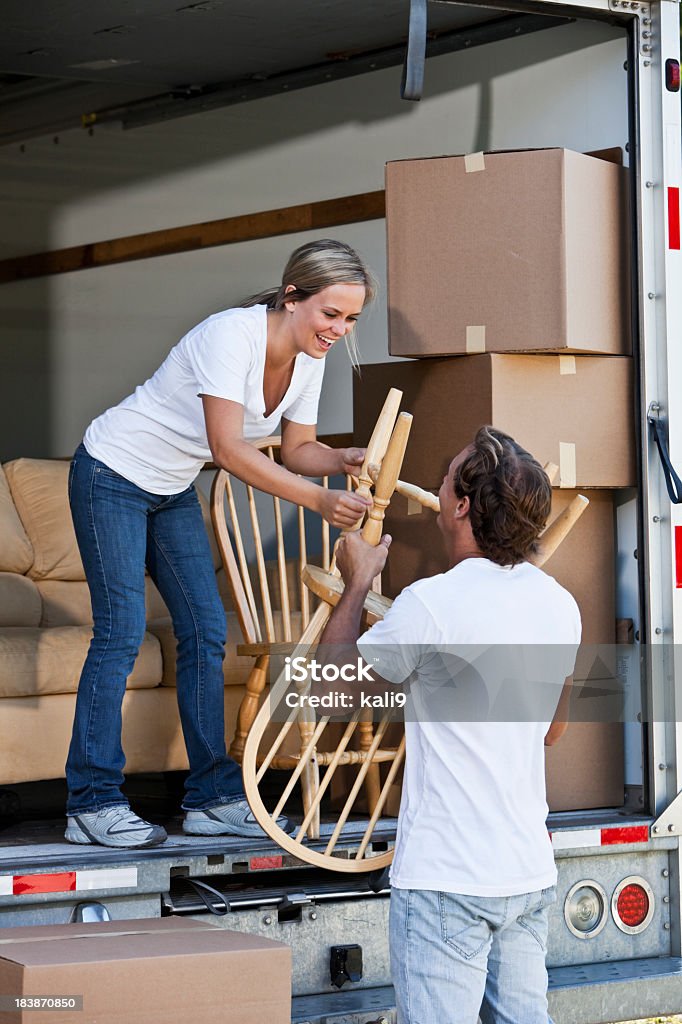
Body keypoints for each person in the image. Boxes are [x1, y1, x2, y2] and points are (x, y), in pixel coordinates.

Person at [65, 238, 376, 850]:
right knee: (122, 630)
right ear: (292, 297)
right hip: (111, 474)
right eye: (330, 314)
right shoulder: (228, 336)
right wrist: (316, 499)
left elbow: (295, 450)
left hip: (171, 486)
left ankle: (212, 797)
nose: (339, 329)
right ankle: (91, 802)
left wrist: (338, 458)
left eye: (351, 319)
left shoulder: (311, 358)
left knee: (207, 630)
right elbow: (230, 449)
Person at [317, 426, 581, 1024]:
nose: (435, 486)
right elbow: (551, 732)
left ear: (462, 505)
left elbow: (331, 694)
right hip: (526, 874)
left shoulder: (432, 602)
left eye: (445, 476)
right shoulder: (558, 603)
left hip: (447, 879)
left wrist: (357, 579)